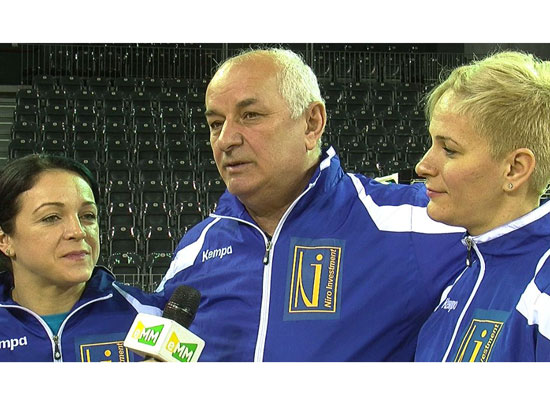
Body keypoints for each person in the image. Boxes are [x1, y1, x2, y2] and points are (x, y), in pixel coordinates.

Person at [157, 47, 466, 361]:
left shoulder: (416, 221)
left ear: (311, 123)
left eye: (250, 116)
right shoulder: (195, 248)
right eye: (215, 123)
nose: (225, 140)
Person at [414, 51, 550, 361]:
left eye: (449, 150)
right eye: (432, 143)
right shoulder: (460, 278)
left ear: (514, 169)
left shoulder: (543, 288)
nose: (423, 166)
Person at [0, 154, 165, 362]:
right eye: (51, 217)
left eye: (88, 216)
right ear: (5, 240)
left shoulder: (150, 316)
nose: (78, 231)